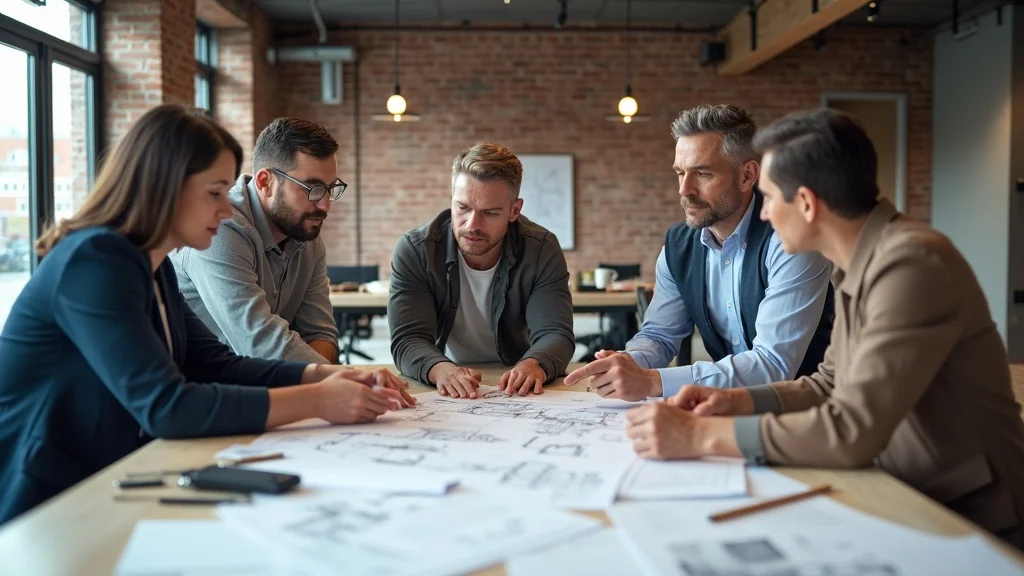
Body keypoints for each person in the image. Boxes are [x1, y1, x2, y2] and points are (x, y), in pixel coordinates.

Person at [624, 108, 1024, 550]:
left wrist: (699, 435)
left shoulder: (910, 264)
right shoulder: (863, 260)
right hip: (902, 490)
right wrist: (732, 400)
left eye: (771, 197)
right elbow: (829, 383)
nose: (763, 215)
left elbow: (851, 430)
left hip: (971, 516)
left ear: (809, 204)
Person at [0, 105, 413, 526]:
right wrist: (317, 399)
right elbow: (167, 406)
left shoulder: (151, 267)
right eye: (215, 192)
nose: (227, 208)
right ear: (167, 187)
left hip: (107, 481)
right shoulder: (95, 261)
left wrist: (325, 376)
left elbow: (216, 364)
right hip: (47, 503)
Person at [565, 104, 834, 400]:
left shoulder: (790, 238)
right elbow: (658, 336)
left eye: (702, 173)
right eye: (680, 173)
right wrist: (630, 362)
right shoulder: (678, 246)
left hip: (809, 410)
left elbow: (773, 364)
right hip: (730, 407)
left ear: (747, 176)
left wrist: (652, 381)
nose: (684, 190)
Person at [388, 143, 575, 398]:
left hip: (517, 379)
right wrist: (441, 369)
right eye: (462, 208)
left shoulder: (541, 249)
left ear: (514, 210)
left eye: (489, 213)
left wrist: (535, 364)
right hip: (443, 372)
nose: (472, 225)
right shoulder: (416, 250)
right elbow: (408, 338)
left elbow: (555, 333)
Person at [171, 117, 344, 364]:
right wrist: (338, 380)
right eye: (312, 189)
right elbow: (259, 344)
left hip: (261, 385)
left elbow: (320, 333)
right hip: (206, 387)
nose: (325, 205)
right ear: (265, 183)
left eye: (330, 189)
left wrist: (330, 381)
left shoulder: (306, 232)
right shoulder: (220, 225)